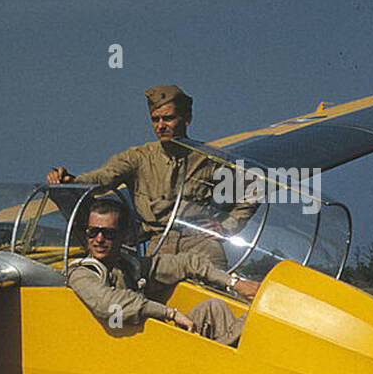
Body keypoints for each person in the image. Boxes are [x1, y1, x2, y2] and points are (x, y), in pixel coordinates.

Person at [45, 84, 256, 265]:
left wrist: (227, 227)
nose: (161, 126)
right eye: (155, 120)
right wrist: (73, 181)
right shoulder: (139, 157)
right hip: (158, 246)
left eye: (169, 118)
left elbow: (252, 190)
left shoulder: (208, 158)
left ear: (187, 118)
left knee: (214, 301)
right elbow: (104, 177)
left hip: (201, 244)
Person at [65, 196, 260, 346]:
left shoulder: (130, 266)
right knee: (238, 326)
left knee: (214, 308)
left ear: (123, 236)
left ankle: (254, 337)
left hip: (150, 342)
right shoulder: (82, 273)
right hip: (126, 353)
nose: (98, 239)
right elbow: (111, 305)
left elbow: (188, 262)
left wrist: (234, 283)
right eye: (93, 232)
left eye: (108, 233)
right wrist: (171, 313)